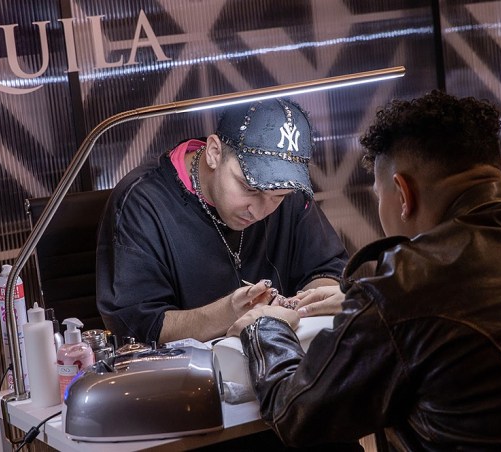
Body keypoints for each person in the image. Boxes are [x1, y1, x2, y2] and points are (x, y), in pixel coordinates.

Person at [229, 90, 501, 450]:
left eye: (379, 196)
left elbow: (296, 414)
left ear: (403, 193)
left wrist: (265, 326)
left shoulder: (407, 286)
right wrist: (361, 303)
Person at [96, 97, 349, 346]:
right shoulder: (141, 203)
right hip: (187, 371)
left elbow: (328, 269)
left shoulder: (290, 191)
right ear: (214, 152)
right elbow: (137, 326)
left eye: (278, 196)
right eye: (249, 188)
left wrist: (311, 301)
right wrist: (227, 313)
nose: (259, 211)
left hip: (281, 357)